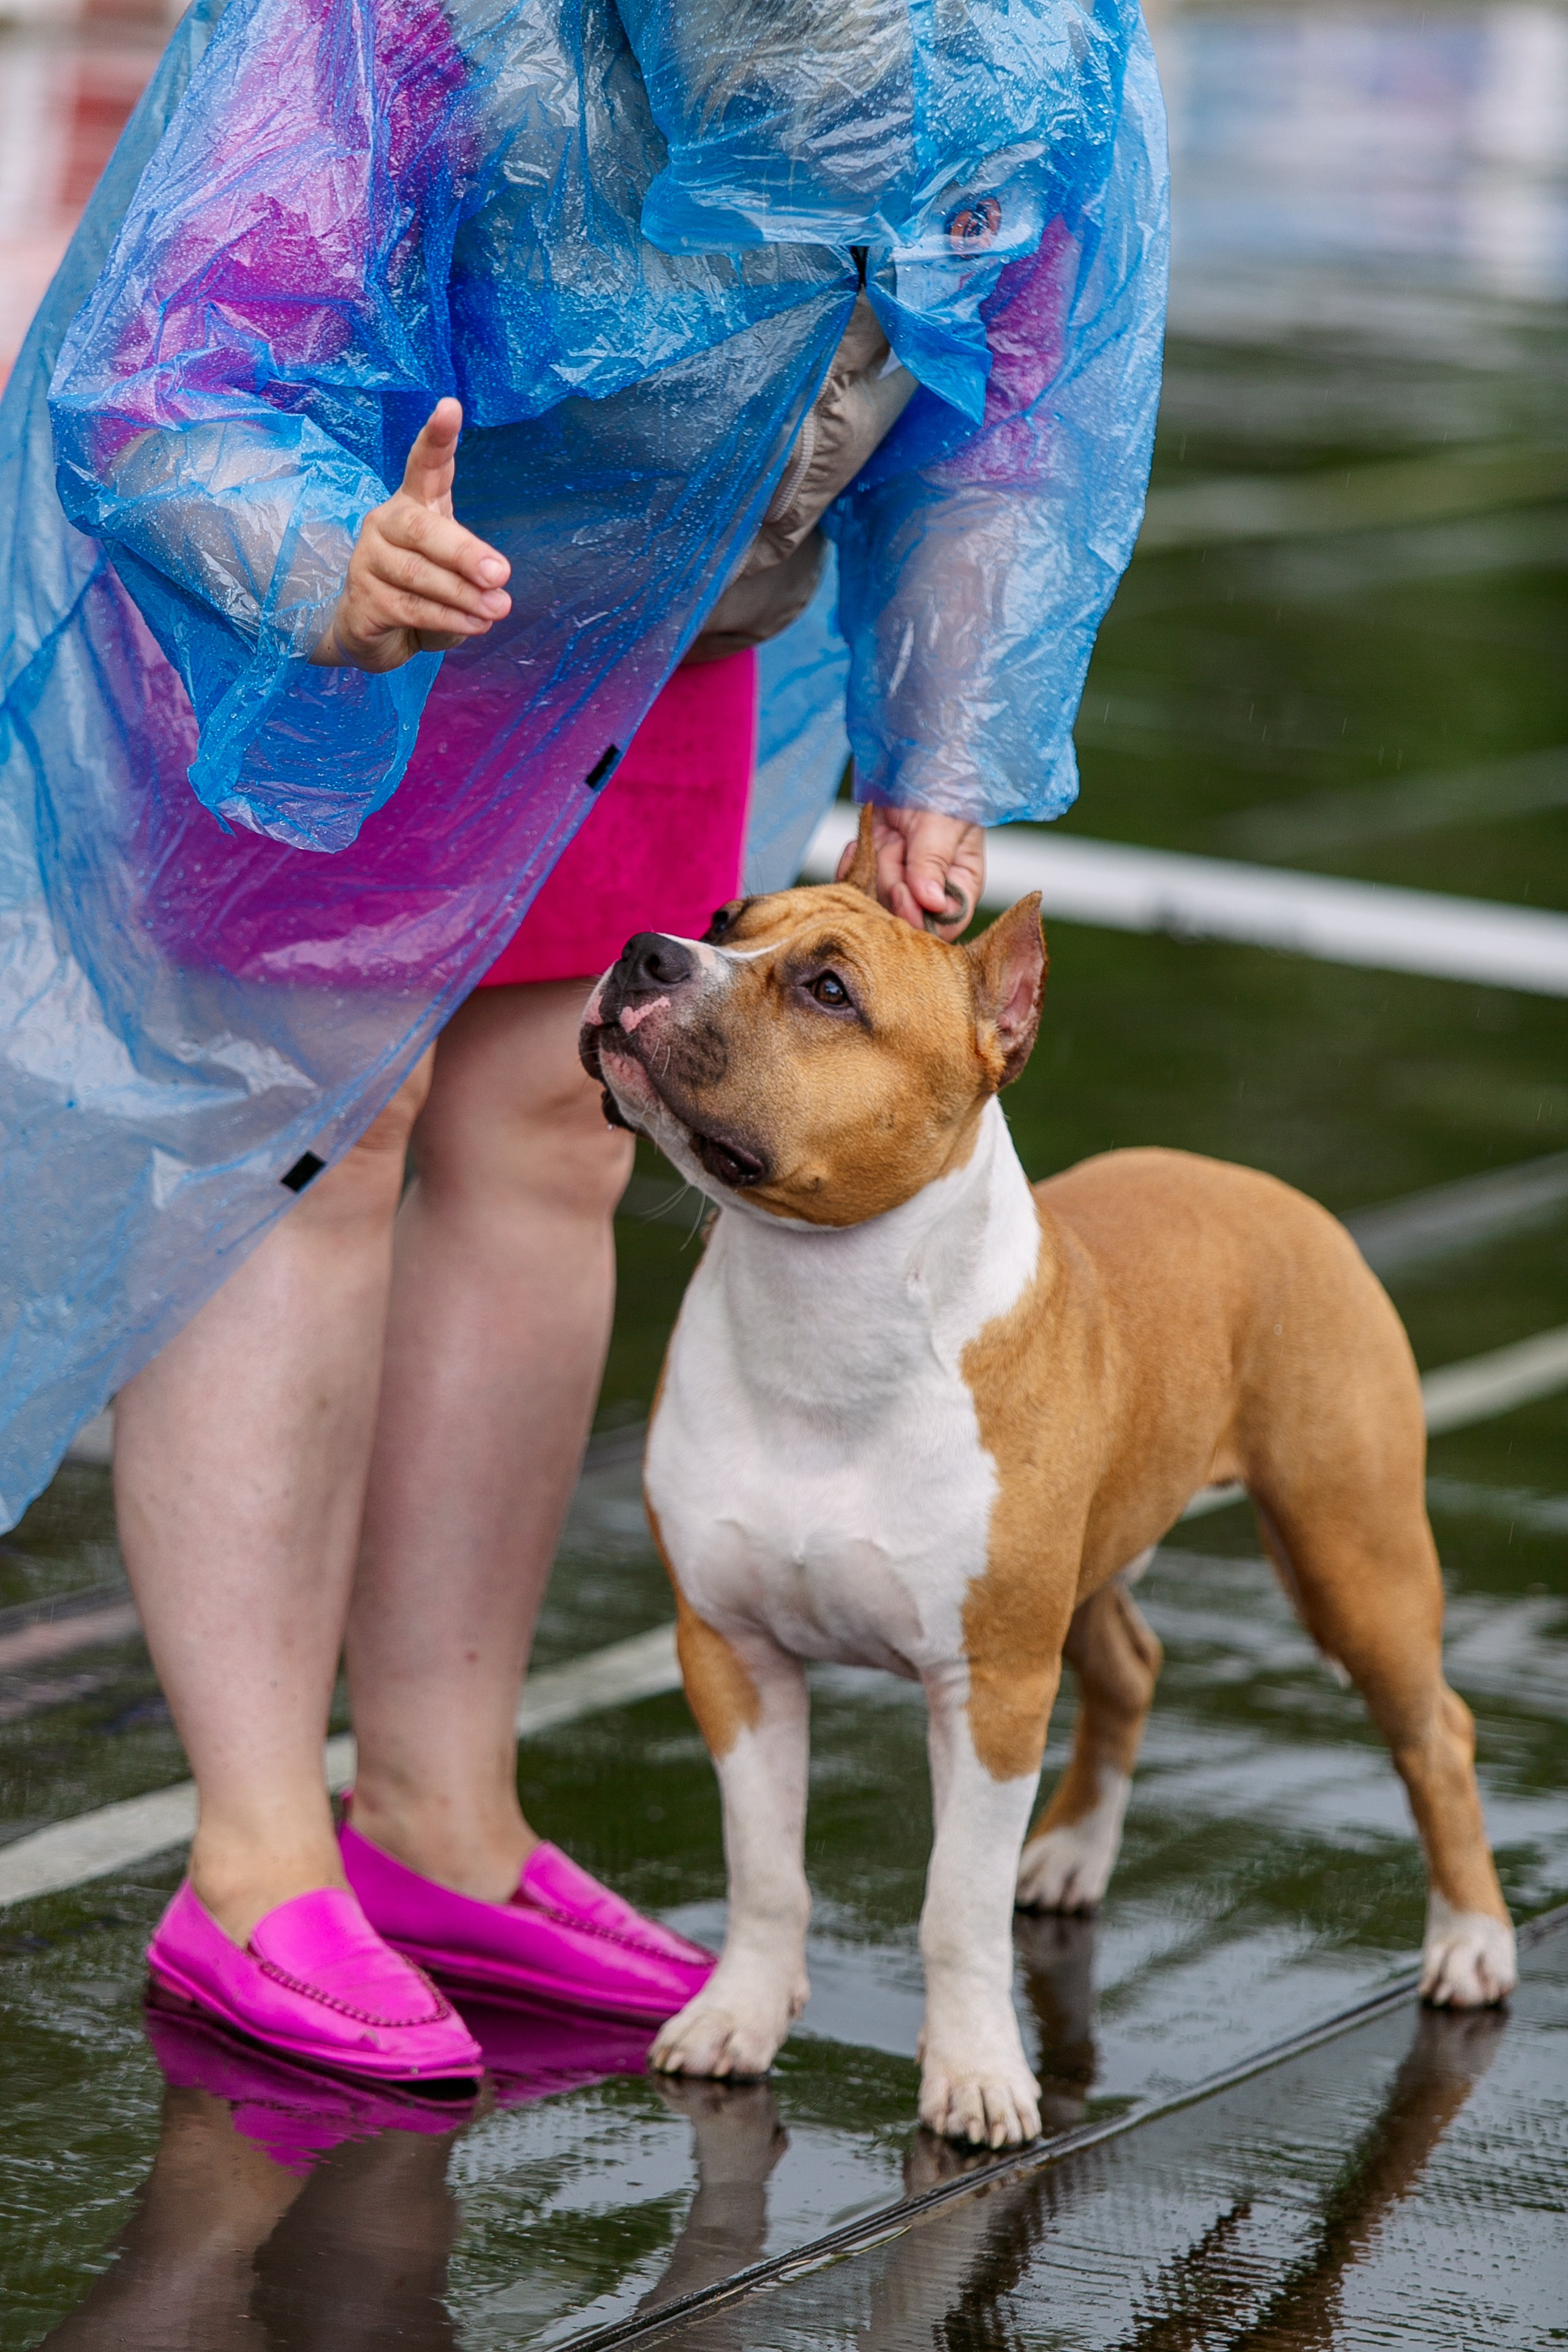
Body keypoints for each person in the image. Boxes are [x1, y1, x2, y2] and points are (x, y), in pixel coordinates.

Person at [0, 0, 1167, 2081]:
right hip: (356, 595)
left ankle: (444, 1813)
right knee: (310, 1149)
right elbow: (182, 351)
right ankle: (261, 1855)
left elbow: (1018, 401)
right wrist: (304, 555)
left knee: (560, 1132)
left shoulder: (1036, 39)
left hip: (661, 614)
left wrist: (943, 737)